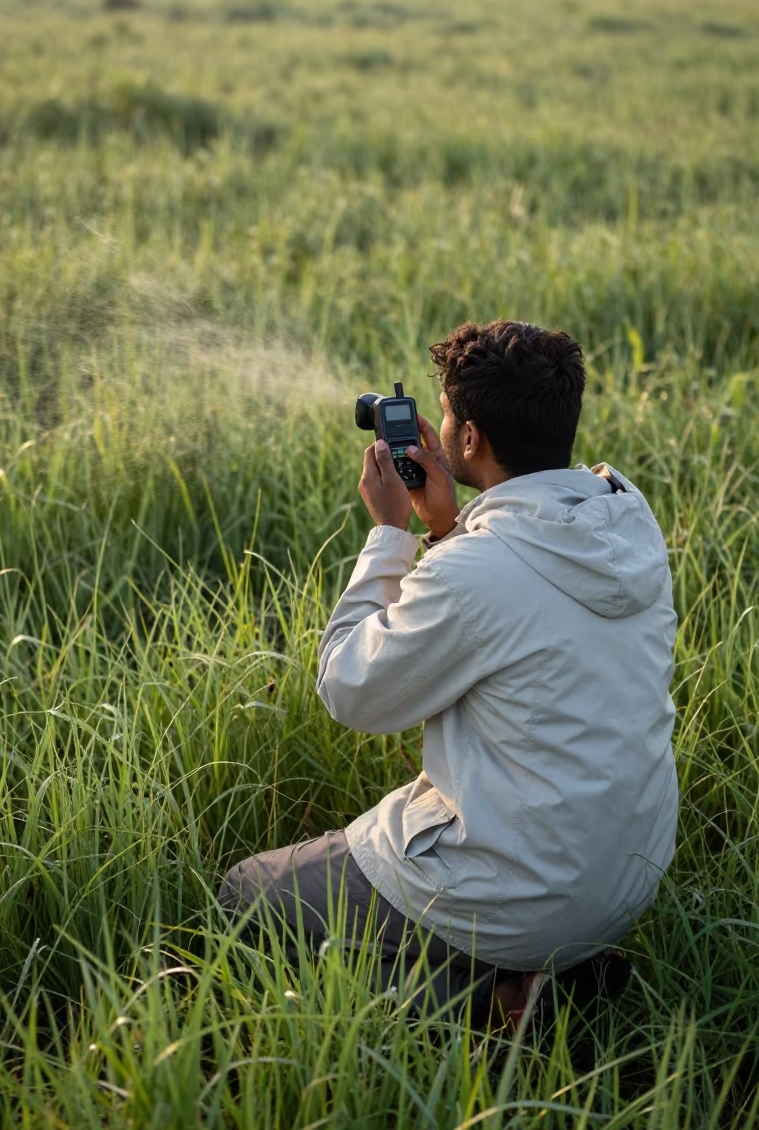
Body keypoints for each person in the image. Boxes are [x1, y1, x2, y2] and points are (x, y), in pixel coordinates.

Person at [217, 319, 678, 1027]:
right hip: (629, 874)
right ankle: (554, 968)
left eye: (448, 416)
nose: (441, 429)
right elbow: (515, 599)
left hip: (524, 892)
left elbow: (349, 689)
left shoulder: (477, 571)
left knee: (246, 896)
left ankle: (501, 1000)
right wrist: (446, 529)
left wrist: (390, 535)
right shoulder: (626, 517)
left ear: (469, 441)